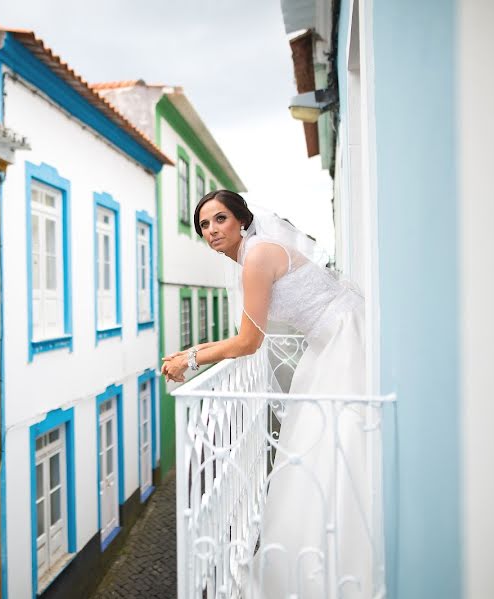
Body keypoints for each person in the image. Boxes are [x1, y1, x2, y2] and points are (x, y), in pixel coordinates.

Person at [161, 190, 378, 599]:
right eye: (204, 225)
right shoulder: (254, 254)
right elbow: (247, 336)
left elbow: (248, 342)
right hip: (328, 341)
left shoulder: (256, 258)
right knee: (327, 446)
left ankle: (346, 556)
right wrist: (192, 354)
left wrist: (190, 359)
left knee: (340, 445)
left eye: (220, 219)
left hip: (343, 340)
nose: (212, 230)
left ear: (242, 220)